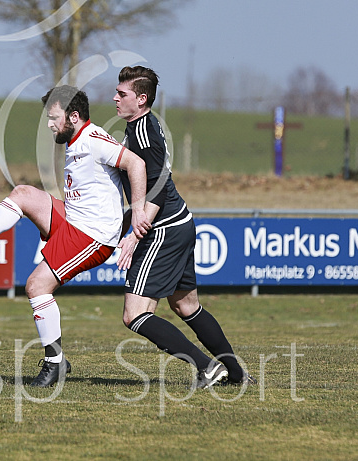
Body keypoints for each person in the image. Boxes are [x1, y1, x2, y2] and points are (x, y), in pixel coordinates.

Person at [0, 85, 151, 387]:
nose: (50, 124)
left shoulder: (92, 140)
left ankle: (55, 363)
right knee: (23, 193)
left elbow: (136, 163)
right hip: (74, 220)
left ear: (74, 116)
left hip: (93, 235)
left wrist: (138, 211)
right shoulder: (77, 139)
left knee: (37, 285)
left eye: (54, 118)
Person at [114, 66, 255, 387]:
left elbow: (158, 188)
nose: (115, 98)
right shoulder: (141, 126)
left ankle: (208, 367)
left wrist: (135, 234)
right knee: (186, 304)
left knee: (134, 314)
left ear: (142, 98)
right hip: (180, 222)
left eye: (122, 94)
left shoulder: (143, 133)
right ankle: (236, 374)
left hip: (162, 228)